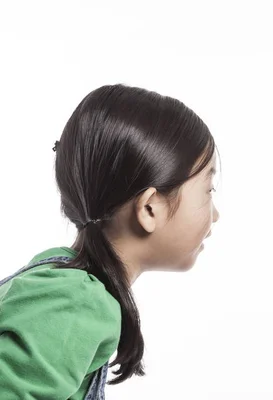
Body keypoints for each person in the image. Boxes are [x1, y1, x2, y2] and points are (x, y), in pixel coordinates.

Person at [0, 84, 220, 399]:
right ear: (149, 208)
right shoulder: (78, 302)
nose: (215, 215)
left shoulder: (58, 279)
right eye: (208, 190)